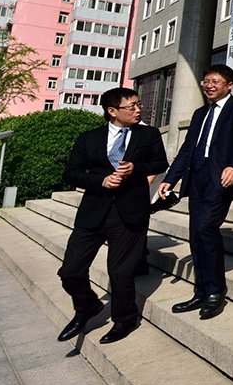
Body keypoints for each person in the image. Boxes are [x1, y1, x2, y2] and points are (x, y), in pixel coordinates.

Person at [57, 88, 168, 344]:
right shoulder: (89, 138)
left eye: (139, 105)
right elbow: (71, 173)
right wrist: (101, 181)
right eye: (131, 106)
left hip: (130, 213)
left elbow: (160, 163)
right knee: (70, 270)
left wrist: (136, 168)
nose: (138, 110)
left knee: (120, 272)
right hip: (94, 212)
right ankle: (87, 306)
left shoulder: (149, 134)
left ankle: (125, 319)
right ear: (112, 111)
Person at [158, 64, 233, 320]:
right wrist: (170, 179)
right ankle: (200, 291)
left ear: (229, 85)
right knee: (196, 234)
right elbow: (187, 148)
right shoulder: (200, 113)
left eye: (215, 81)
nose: (209, 86)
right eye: (206, 81)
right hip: (197, 176)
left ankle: (215, 292)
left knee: (206, 228)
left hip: (221, 177)